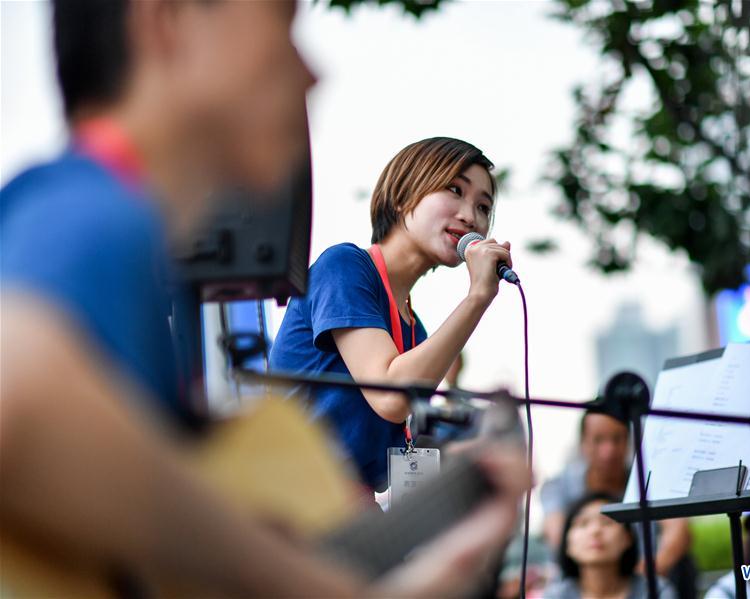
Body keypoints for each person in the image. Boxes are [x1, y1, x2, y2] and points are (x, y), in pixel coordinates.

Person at [0, 1, 527, 596]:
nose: (310, 74)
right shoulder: (86, 209)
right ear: (164, 22)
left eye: (484, 203)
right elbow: (16, 397)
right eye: (281, 30)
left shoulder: (117, 235)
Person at [270, 136, 513, 491]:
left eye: (483, 207)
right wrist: (477, 296)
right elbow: (390, 397)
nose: (469, 216)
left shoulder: (417, 333)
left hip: (353, 508)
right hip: (294, 501)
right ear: (401, 196)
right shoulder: (344, 266)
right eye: (454, 190)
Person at [541, 401, 696, 598]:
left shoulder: (648, 479)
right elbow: (557, 533)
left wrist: (642, 578)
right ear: (583, 444)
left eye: (617, 439)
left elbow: (678, 529)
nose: (609, 451)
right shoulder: (558, 486)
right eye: (598, 440)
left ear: (629, 440)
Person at [543, 492, 677, 599]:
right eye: (583, 523)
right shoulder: (556, 595)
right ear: (567, 544)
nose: (595, 530)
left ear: (628, 538)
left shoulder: (655, 591)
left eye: (606, 522)